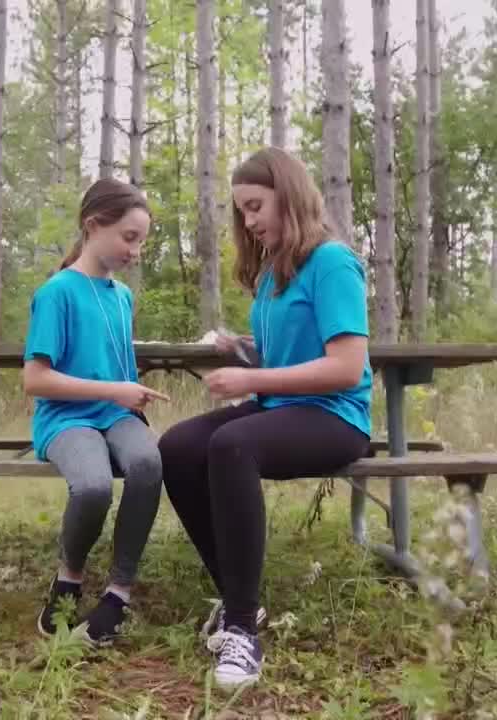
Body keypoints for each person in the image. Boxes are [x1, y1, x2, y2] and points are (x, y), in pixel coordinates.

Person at [158, 147, 373, 689]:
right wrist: (244, 349)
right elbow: (290, 356)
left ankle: (240, 631)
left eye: (255, 207)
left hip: (335, 418)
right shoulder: (274, 274)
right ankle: (239, 601)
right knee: (178, 447)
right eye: (242, 213)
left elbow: (345, 367)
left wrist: (251, 380)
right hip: (282, 407)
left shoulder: (333, 263)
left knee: (232, 445)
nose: (249, 222)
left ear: (290, 195)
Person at [23, 178, 170, 646]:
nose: (137, 250)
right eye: (130, 237)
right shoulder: (57, 292)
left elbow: (113, 365)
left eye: (142, 241)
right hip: (67, 419)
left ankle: (117, 595)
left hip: (116, 417)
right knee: (92, 486)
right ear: (93, 226)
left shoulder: (122, 297)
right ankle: (68, 578)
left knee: (148, 462)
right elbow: (35, 380)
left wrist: (130, 395)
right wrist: (113, 390)